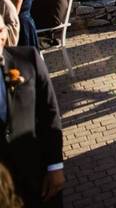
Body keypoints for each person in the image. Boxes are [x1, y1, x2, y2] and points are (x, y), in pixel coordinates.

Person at [0, 14, 65, 208]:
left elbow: (50, 113)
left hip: (37, 175)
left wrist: (55, 166)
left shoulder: (27, 59)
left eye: (0, 30)